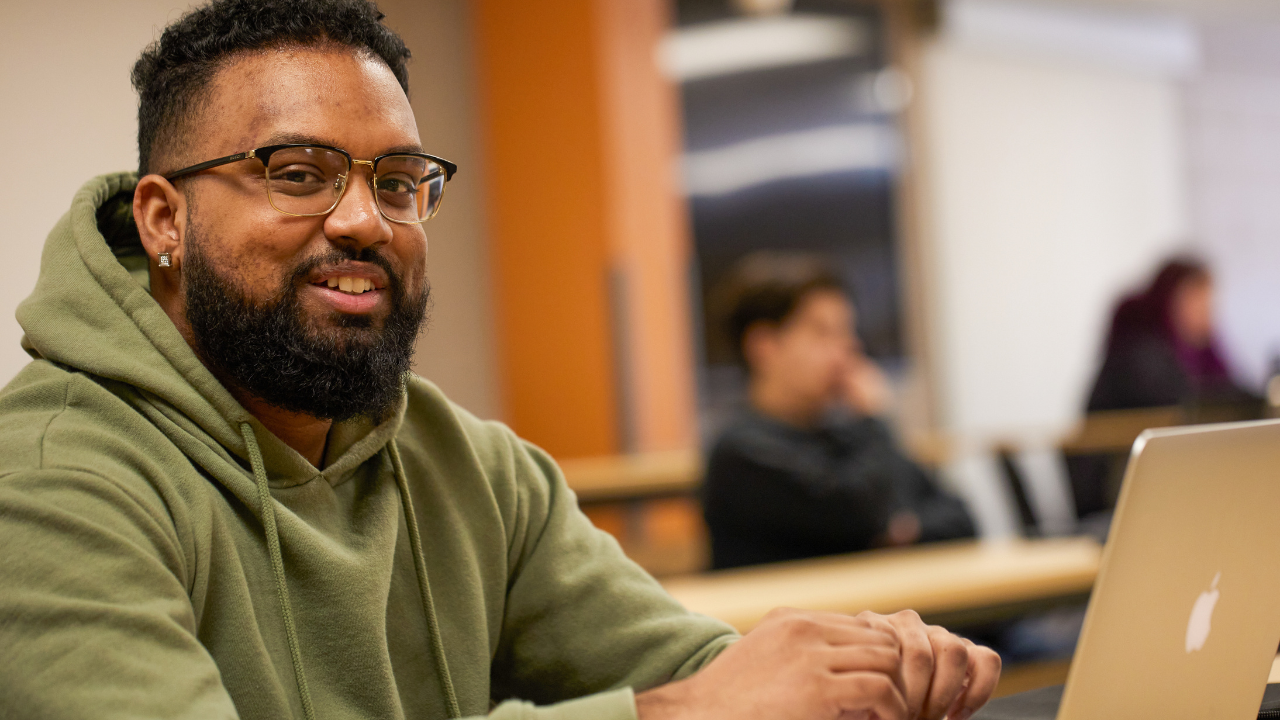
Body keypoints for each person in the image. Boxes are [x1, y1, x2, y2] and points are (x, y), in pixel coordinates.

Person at [0, 2, 1000, 719]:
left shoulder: (471, 467)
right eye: (296, 173)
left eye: (398, 183)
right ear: (163, 218)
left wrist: (858, 677)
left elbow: (699, 669)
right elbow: (693, 703)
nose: (362, 220)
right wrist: (669, 715)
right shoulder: (45, 487)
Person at [702, 254, 975, 570]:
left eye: (847, 332)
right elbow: (859, 513)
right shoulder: (741, 452)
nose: (848, 349)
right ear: (764, 346)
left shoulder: (847, 433)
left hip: (876, 610)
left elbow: (960, 518)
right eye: (823, 333)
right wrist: (874, 418)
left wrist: (901, 531)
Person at [1070, 257, 1262, 520]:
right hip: (1114, 489)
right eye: (1197, 299)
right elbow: (1187, 402)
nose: (1206, 311)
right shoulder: (1139, 350)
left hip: (1152, 484)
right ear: (1170, 300)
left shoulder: (1198, 354)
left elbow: (1228, 391)